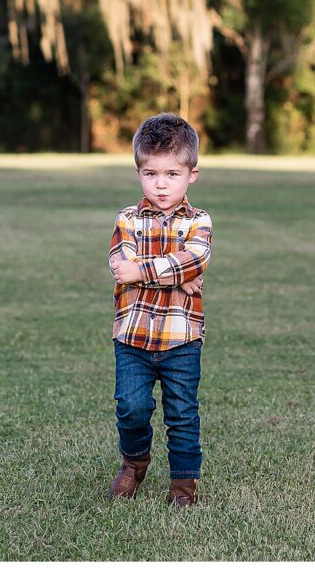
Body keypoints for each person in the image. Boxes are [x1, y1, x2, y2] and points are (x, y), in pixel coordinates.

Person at [107, 112, 213, 508]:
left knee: (182, 413)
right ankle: (134, 462)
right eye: (151, 174)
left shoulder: (199, 221)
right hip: (132, 336)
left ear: (192, 175)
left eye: (172, 173)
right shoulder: (127, 219)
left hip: (181, 338)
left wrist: (147, 271)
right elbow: (121, 267)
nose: (161, 184)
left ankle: (183, 485)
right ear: (139, 173)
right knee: (131, 407)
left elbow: (195, 259)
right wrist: (176, 274)